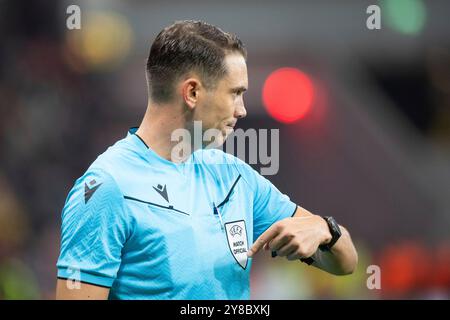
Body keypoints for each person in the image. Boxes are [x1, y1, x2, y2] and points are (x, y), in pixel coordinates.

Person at [55, 20, 358, 300]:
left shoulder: (234, 176)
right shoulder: (108, 187)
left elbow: (345, 263)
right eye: (235, 93)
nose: (242, 110)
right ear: (192, 92)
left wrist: (325, 230)